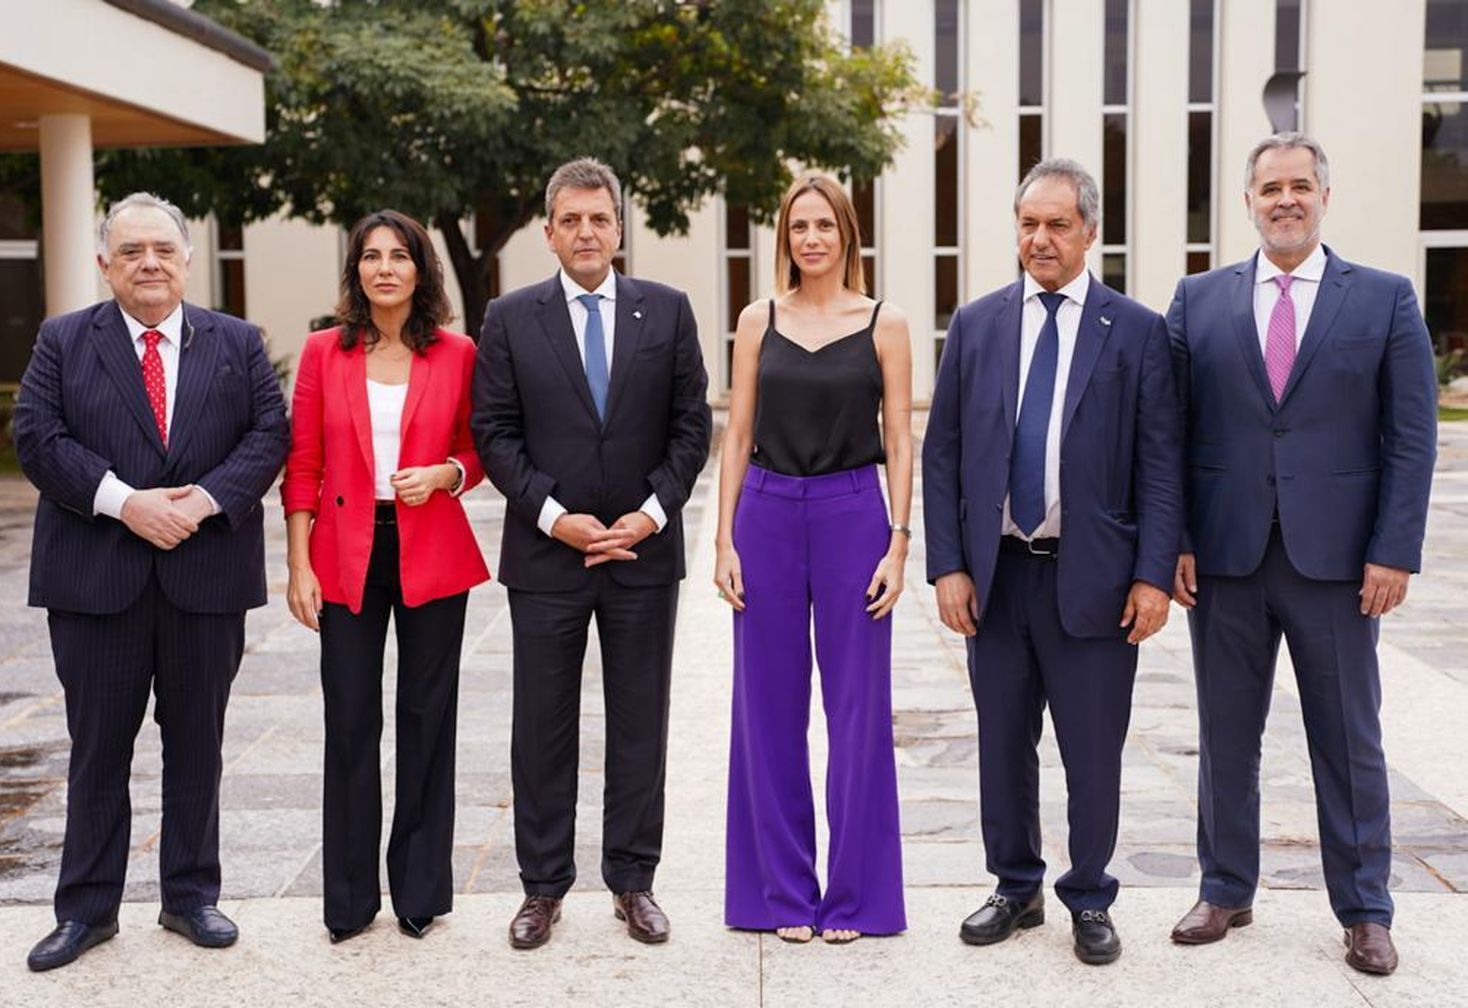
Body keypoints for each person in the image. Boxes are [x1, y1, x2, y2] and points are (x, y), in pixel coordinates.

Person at [1164, 133, 1437, 976]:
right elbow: (1166, 435)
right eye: (1269, 187)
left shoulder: (1385, 300)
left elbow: (1412, 438)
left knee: (1349, 739)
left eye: (1300, 185)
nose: (1285, 198)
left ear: (1325, 196)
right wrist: (1171, 540)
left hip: (1340, 567)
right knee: (1225, 736)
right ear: (1247, 201)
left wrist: (1393, 550)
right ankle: (1225, 886)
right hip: (1226, 558)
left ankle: (1364, 909)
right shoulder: (1198, 298)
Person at [13, 192, 289, 971]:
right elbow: (36, 437)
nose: (149, 263)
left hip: (205, 577)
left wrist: (201, 503)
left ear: (187, 260)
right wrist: (125, 503)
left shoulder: (236, 342)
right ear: (105, 265)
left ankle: (191, 896)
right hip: (96, 581)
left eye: (163, 249)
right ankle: (88, 910)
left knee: (197, 744)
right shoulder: (63, 341)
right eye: (131, 251)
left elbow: (271, 433)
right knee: (98, 748)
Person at [922, 158, 1181, 966]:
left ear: (1090, 233)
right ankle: (1014, 885)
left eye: (1057, 224)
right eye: (1028, 224)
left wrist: (1151, 575)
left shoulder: (1135, 331)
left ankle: (1091, 895)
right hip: (997, 578)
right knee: (1002, 740)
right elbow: (944, 455)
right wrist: (948, 566)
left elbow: (1160, 464)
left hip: (1095, 581)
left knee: (1092, 748)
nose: (1039, 239)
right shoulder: (977, 324)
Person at [471, 157, 711, 949]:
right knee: (542, 727)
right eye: (570, 220)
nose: (585, 232)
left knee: (639, 721)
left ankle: (634, 882)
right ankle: (541, 889)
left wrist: (647, 515)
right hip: (549, 559)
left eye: (599, 219)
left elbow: (691, 427)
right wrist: (550, 515)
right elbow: (494, 433)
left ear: (618, 228)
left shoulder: (667, 312)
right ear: (548, 232)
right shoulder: (509, 318)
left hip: (643, 553)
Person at [282, 209, 489, 943]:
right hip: (344, 549)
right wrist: (297, 561)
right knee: (351, 721)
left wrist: (448, 472)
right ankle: (347, 899)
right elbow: (301, 464)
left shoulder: (459, 353)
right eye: (371, 257)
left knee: (428, 719)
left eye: (399, 256)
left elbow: (481, 447)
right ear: (356, 272)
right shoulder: (321, 353)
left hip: (430, 544)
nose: (384, 268)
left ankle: (420, 891)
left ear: (420, 270)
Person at [715, 173, 911, 945]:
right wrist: (724, 540)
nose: (812, 239)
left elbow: (899, 437)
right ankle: (781, 895)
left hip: (854, 516)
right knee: (766, 709)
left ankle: (857, 901)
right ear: (784, 239)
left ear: (847, 234)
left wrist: (899, 540)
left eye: (824, 225)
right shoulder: (757, 320)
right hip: (764, 513)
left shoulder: (885, 322)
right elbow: (734, 434)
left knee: (858, 711)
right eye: (799, 227)